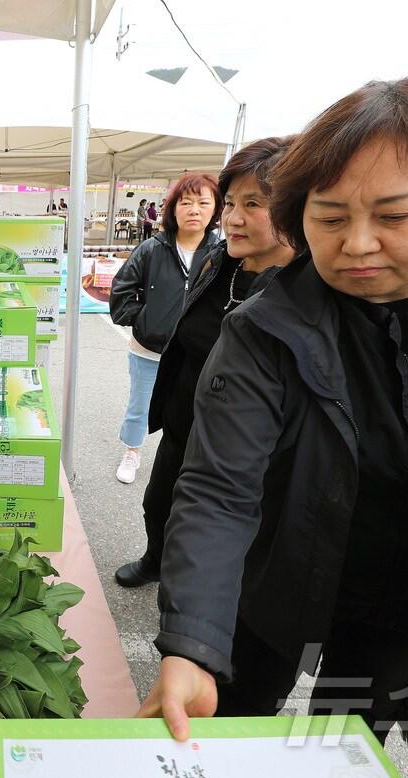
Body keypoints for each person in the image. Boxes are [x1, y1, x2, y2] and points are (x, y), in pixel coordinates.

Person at [137, 70, 408, 748]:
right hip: (287, 576)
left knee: (351, 738)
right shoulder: (262, 331)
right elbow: (220, 491)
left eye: (394, 216)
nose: (357, 243)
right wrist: (191, 644)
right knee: (235, 711)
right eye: (330, 217)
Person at [114, 137, 297, 589]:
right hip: (184, 416)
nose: (233, 216)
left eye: (253, 203)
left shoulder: (299, 287)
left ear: (294, 208)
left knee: (219, 527)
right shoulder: (218, 261)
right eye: (231, 201)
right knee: (158, 501)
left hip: (241, 438)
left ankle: (201, 596)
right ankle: (156, 559)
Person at [108, 172, 221, 485]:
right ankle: (132, 452)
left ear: (215, 209)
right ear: (173, 208)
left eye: (203, 202)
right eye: (186, 202)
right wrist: (147, 320)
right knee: (139, 405)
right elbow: (120, 293)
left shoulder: (221, 253)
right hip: (148, 349)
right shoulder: (152, 249)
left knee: (195, 407)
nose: (194, 209)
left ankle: (188, 459)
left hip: (198, 353)